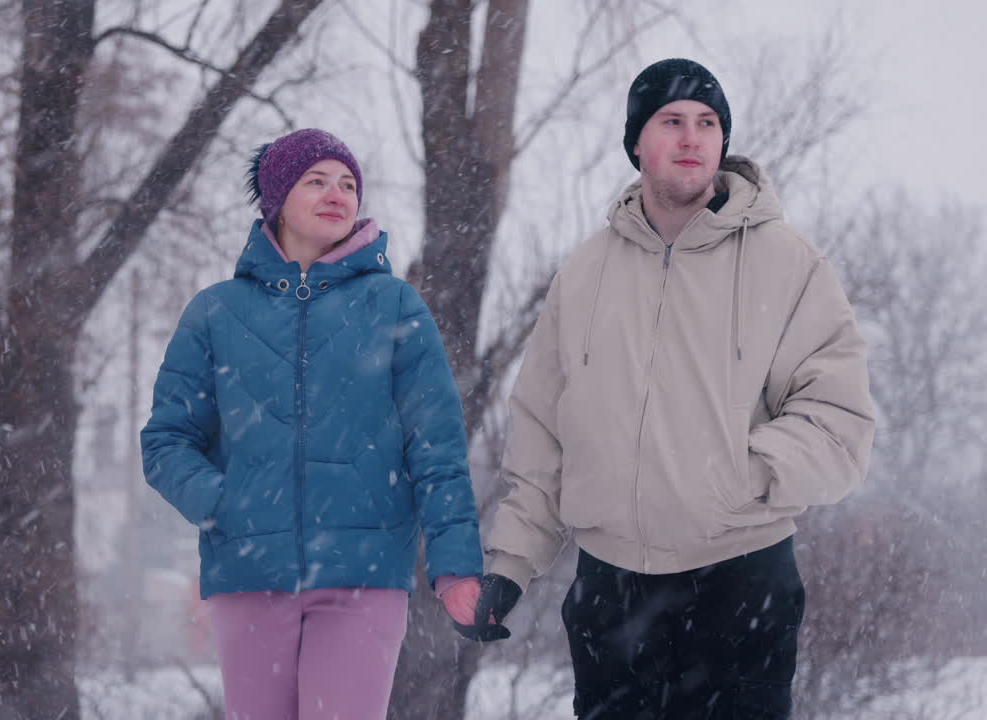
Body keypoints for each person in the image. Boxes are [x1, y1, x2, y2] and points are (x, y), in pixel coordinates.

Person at [454, 59, 876, 719]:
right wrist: (511, 565)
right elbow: (541, 432)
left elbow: (839, 419)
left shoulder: (787, 264)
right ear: (636, 145)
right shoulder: (585, 275)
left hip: (741, 582)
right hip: (611, 591)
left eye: (708, 123)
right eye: (671, 121)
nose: (692, 137)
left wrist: (740, 475)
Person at [141, 128, 484, 720]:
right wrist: (225, 503)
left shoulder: (395, 306)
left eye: (349, 182)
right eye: (317, 180)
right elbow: (167, 441)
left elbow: (436, 447)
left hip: (365, 575)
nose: (338, 192)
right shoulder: (216, 313)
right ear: (276, 200)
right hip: (250, 574)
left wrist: (456, 566)